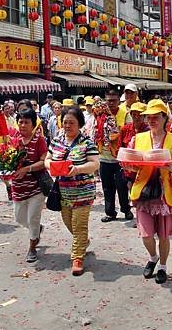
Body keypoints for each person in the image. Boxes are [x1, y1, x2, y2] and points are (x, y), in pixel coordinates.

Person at [128, 99, 172, 284]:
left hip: (164, 193)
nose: (151, 120)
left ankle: (163, 266)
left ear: (165, 118)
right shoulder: (138, 139)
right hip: (144, 191)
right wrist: (130, 165)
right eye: (149, 117)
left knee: (163, 235)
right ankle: (152, 257)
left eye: (155, 117)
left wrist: (171, 169)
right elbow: (130, 161)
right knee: (146, 234)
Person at [45, 106, 100, 276]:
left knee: (79, 224)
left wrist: (78, 169)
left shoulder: (86, 142)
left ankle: (77, 257)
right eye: (65, 122)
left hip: (83, 191)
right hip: (63, 192)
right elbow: (47, 159)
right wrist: (50, 167)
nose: (68, 126)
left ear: (80, 124)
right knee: (68, 221)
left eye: (72, 123)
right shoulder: (56, 141)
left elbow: (95, 163)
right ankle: (83, 241)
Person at [11, 109, 48, 263]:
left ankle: (32, 247)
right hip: (18, 188)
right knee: (20, 218)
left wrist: (27, 168)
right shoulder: (13, 139)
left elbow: (44, 161)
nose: (23, 125)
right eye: (20, 121)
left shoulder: (39, 140)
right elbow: (5, 157)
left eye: (27, 122)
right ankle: (37, 229)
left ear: (33, 124)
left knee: (32, 218)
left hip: (35, 188)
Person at [98, 90, 133, 223]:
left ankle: (126, 209)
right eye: (108, 100)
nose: (111, 103)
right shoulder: (100, 114)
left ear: (119, 100)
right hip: (104, 157)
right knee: (107, 187)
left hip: (120, 158)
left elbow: (129, 132)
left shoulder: (125, 115)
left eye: (113, 100)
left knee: (122, 185)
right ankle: (110, 212)